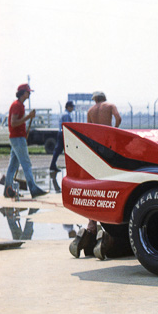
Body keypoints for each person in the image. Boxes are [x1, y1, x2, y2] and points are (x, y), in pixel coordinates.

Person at [69, 91, 122, 258]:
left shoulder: (90, 111)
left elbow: (89, 129)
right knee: (110, 181)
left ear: (94, 99)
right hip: (108, 142)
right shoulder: (110, 106)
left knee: (96, 182)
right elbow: (118, 118)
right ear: (104, 98)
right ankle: (105, 231)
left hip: (96, 145)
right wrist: (113, 131)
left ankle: (90, 228)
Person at [3, 83, 47, 199]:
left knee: (13, 165)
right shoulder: (17, 105)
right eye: (28, 92)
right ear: (23, 93)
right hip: (17, 138)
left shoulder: (19, 105)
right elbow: (13, 123)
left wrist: (28, 117)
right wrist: (29, 117)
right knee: (26, 163)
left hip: (17, 137)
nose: (29, 94)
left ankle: (8, 189)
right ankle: (33, 188)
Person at [49, 100, 75, 172]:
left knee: (58, 150)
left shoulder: (63, 113)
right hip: (64, 133)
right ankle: (70, 167)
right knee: (68, 150)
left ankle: (53, 165)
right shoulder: (67, 115)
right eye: (72, 107)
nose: (73, 108)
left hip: (60, 133)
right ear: (68, 107)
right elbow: (67, 126)